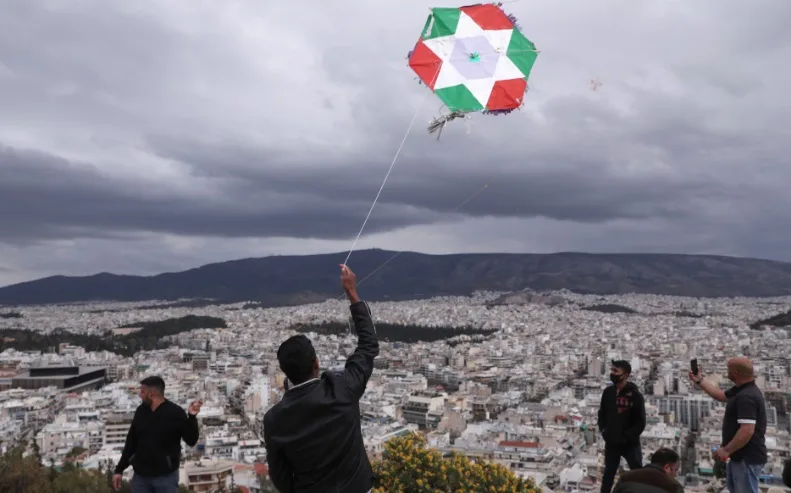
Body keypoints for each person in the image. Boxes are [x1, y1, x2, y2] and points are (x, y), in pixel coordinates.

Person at [264, 264, 379, 493]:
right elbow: (368, 346)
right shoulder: (342, 388)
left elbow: (281, 476)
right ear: (316, 364)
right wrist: (352, 294)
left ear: (284, 372)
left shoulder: (274, 419)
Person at [689, 357, 766, 493]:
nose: (726, 372)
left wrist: (726, 450)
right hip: (739, 456)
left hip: (746, 458)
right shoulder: (741, 390)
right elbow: (720, 395)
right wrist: (700, 380)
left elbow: (747, 430)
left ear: (736, 372)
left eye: (728, 369)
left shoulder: (746, 396)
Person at [113, 376, 202, 492]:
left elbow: (191, 440)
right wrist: (119, 470)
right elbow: (131, 443)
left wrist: (192, 417)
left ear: (151, 394)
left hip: (166, 477)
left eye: (142, 391)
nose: (140, 394)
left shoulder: (175, 413)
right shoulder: (141, 411)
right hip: (141, 477)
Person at [598, 360, 646, 493]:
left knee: (637, 473)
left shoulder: (635, 396)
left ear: (625, 375)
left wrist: (626, 437)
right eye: (612, 370)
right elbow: (602, 413)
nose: (612, 373)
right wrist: (603, 430)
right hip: (612, 441)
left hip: (630, 443)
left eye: (615, 371)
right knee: (609, 473)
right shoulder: (608, 392)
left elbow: (640, 422)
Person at [612, 448, 684, 493]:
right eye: (676, 470)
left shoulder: (625, 478)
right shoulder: (674, 487)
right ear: (667, 467)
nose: (676, 475)